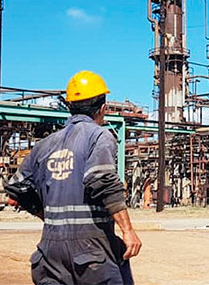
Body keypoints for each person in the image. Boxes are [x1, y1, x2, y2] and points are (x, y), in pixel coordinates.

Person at [9, 71, 141, 285]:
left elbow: (17, 188)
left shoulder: (44, 145)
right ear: (103, 108)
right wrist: (128, 231)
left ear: (70, 106)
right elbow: (102, 180)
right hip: (91, 249)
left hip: (50, 252)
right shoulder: (99, 135)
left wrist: (49, 218)